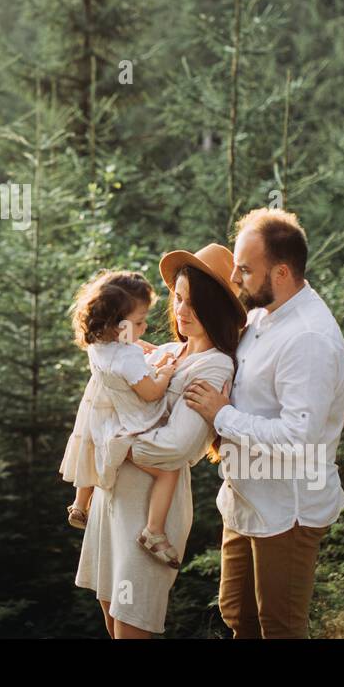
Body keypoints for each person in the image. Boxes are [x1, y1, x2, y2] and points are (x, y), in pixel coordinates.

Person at [185, 208, 344, 639]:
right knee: (238, 615)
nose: (235, 278)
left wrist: (221, 415)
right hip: (247, 498)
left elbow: (299, 439)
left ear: (280, 272)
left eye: (244, 269)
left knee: (279, 628)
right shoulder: (260, 314)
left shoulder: (309, 338)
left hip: (288, 508)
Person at [75, 245, 247, 638]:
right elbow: (107, 392)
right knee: (110, 612)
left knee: (133, 622)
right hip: (113, 498)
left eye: (194, 302)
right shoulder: (166, 352)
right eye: (178, 297)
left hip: (150, 513)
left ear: (217, 307)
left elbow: (177, 447)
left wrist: (113, 446)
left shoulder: (216, 364)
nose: (181, 310)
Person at [58, 270, 182, 566]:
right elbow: (151, 393)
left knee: (87, 443)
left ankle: (79, 503)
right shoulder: (125, 358)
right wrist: (165, 372)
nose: (145, 326)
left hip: (100, 420)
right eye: (139, 322)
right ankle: (153, 531)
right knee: (168, 471)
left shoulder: (100, 343)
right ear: (117, 324)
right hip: (131, 426)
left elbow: (130, 348)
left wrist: (150, 350)